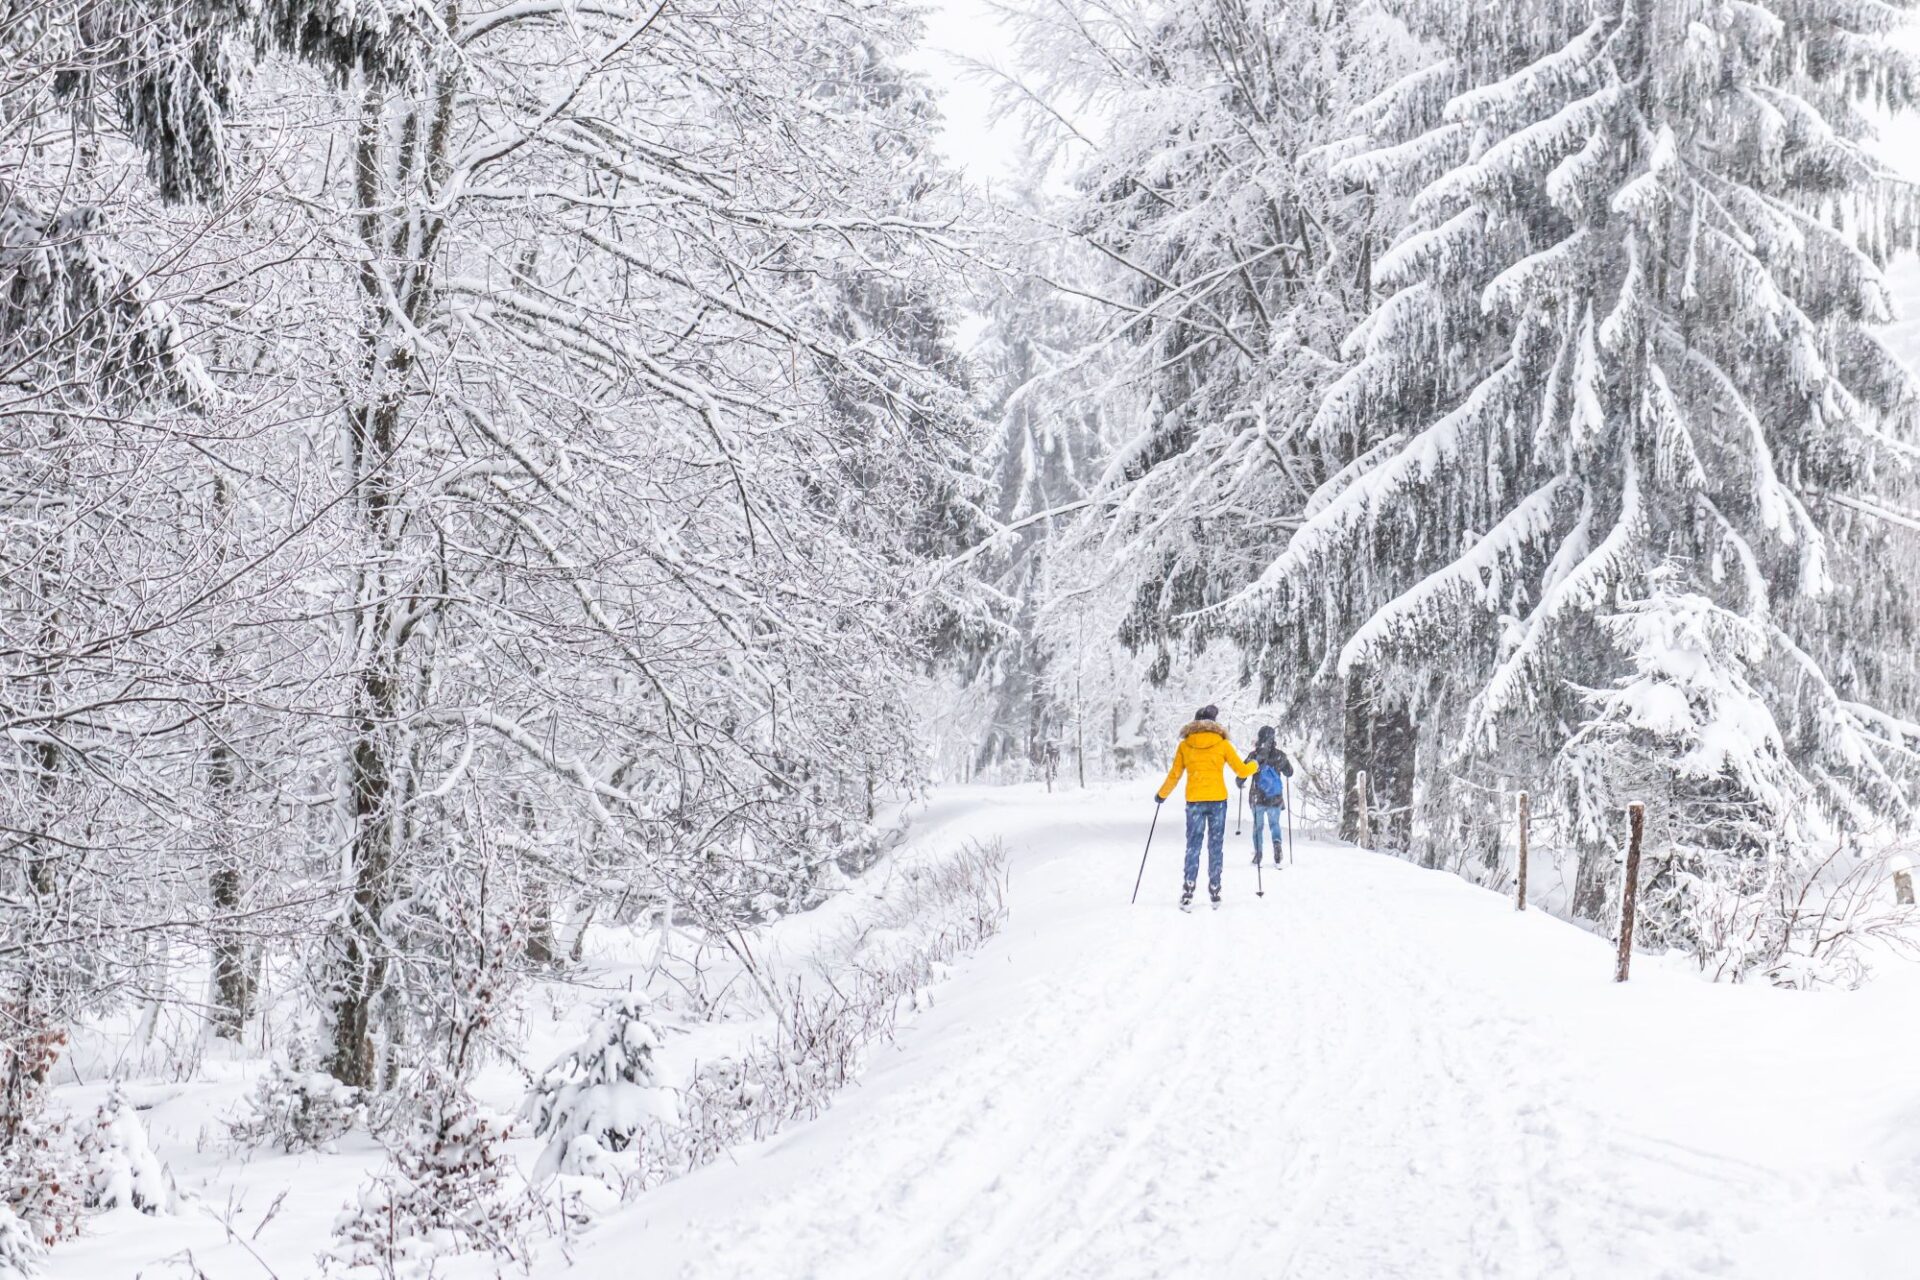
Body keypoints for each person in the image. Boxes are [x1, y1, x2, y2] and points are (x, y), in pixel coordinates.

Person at [1155, 704, 1257, 909]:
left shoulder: (1185, 746)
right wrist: (1255, 764)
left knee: (1193, 845)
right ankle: (1215, 890)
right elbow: (1242, 771)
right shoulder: (1222, 745)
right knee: (1215, 845)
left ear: (1194, 723)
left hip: (1194, 801)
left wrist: (1161, 794)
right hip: (1218, 801)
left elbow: (1175, 775)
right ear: (1214, 724)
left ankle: (1188, 889)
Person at [1240, 725, 1295, 868]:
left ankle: (1258, 854)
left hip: (1258, 798)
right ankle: (1277, 846)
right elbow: (1290, 772)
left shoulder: (1254, 756)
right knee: (1274, 825)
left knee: (1257, 827)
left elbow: (1241, 774)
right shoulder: (1280, 755)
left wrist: (1240, 783)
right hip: (1275, 798)